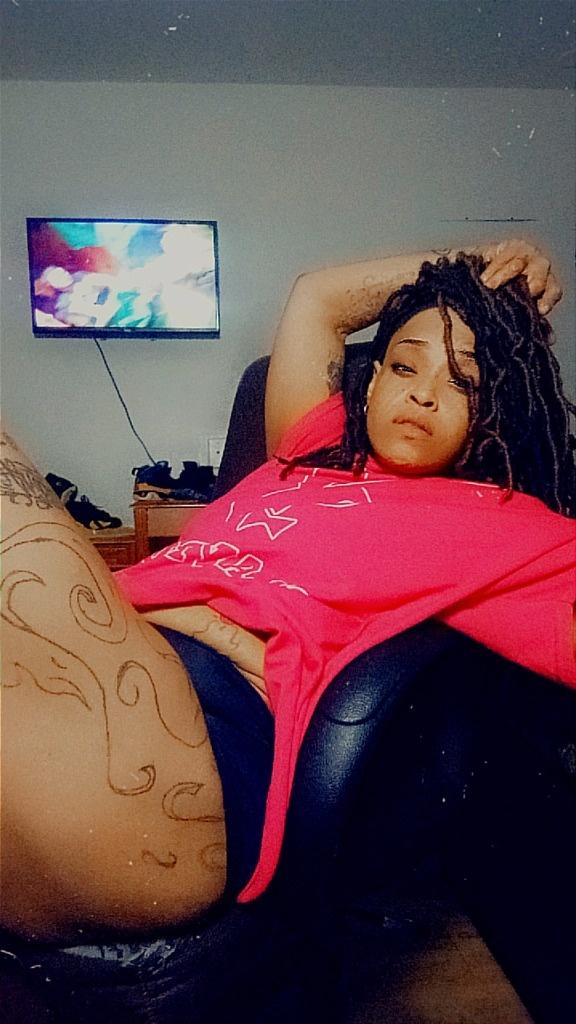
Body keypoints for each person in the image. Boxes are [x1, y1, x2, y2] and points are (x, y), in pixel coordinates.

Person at [1, 240, 574, 1020]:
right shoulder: (310, 445)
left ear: (498, 410)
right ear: (370, 381)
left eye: (465, 381)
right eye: (404, 365)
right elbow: (317, 297)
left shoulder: (509, 528)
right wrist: (466, 266)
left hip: (183, 754)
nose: (422, 392)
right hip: (102, 669)